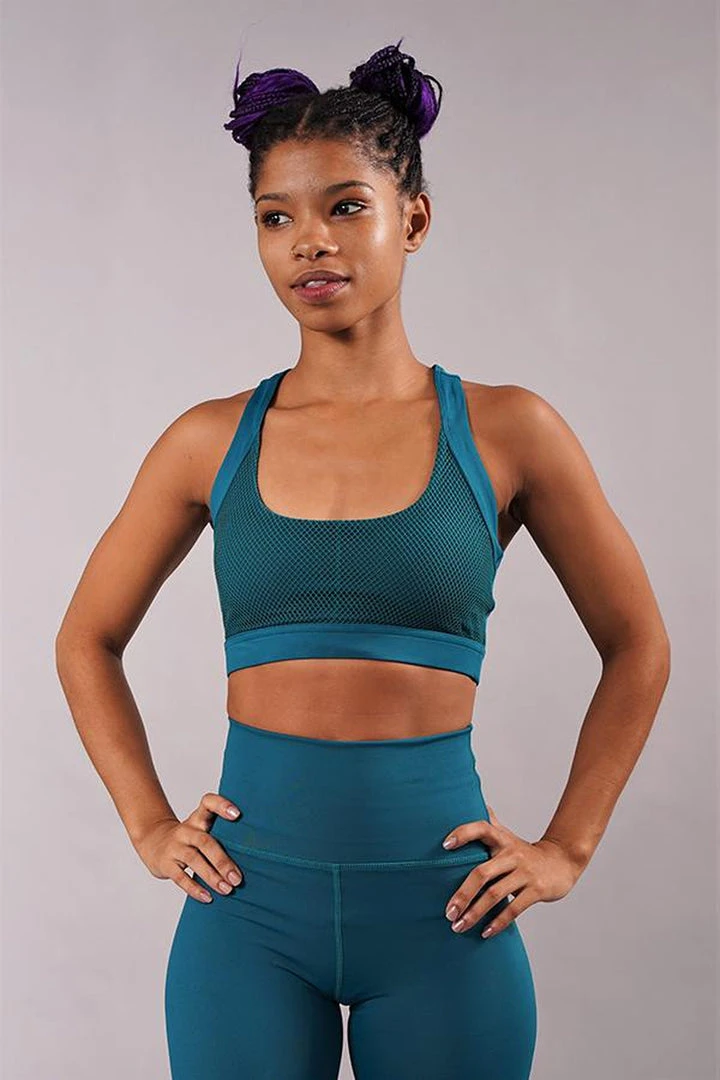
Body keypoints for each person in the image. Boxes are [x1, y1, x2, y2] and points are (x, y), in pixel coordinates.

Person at [55, 39, 671, 1080]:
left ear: (413, 220)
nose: (310, 241)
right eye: (276, 217)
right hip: (247, 916)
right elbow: (86, 638)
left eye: (347, 207)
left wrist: (568, 847)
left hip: (444, 917)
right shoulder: (209, 441)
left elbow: (637, 643)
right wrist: (150, 825)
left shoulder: (509, 431)